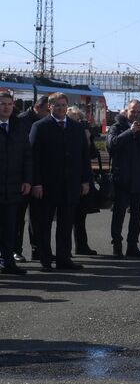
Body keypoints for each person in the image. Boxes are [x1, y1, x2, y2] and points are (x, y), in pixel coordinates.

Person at [27, 92, 93, 271]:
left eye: (64, 105)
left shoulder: (76, 127)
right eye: (57, 105)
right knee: (44, 224)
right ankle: (45, 259)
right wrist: (36, 183)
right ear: (50, 107)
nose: (61, 108)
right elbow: (33, 157)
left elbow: (84, 157)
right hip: (47, 185)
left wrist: (85, 180)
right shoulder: (39, 127)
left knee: (65, 224)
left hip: (70, 185)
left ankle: (64, 258)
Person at [108, 100, 140, 258]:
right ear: (126, 112)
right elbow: (111, 145)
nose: (136, 115)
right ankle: (117, 245)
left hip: (139, 178)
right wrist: (129, 132)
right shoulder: (117, 127)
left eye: (138, 112)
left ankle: (132, 245)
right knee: (119, 214)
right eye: (133, 111)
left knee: (136, 215)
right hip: (122, 177)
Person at [12, 93, 49, 259]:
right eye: (47, 111)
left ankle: (36, 249)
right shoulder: (23, 121)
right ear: (38, 108)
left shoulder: (35, 120)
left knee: (36, 217)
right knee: (19, 217)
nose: (49, 114)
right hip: (24, 177)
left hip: (37, 175)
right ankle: (16, 250)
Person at [0, 89, 33, 275]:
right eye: (2, 104)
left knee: (10, 227)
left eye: (9, 104)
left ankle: (8, 263)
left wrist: (28, 179)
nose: (6, 107)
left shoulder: (19, 126)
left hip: (13, 187)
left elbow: (27, 155)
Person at [66, 106, 101, 256]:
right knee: (67, 216)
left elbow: (92, 154)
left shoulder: (83, 133)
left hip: (84, 177)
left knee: (81, 214)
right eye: (75, 118)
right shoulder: (65, 132)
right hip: (69, 178)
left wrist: (87, 137)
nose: (78, 122)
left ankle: (82, 245)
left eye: (79, 119)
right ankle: (65, 249)